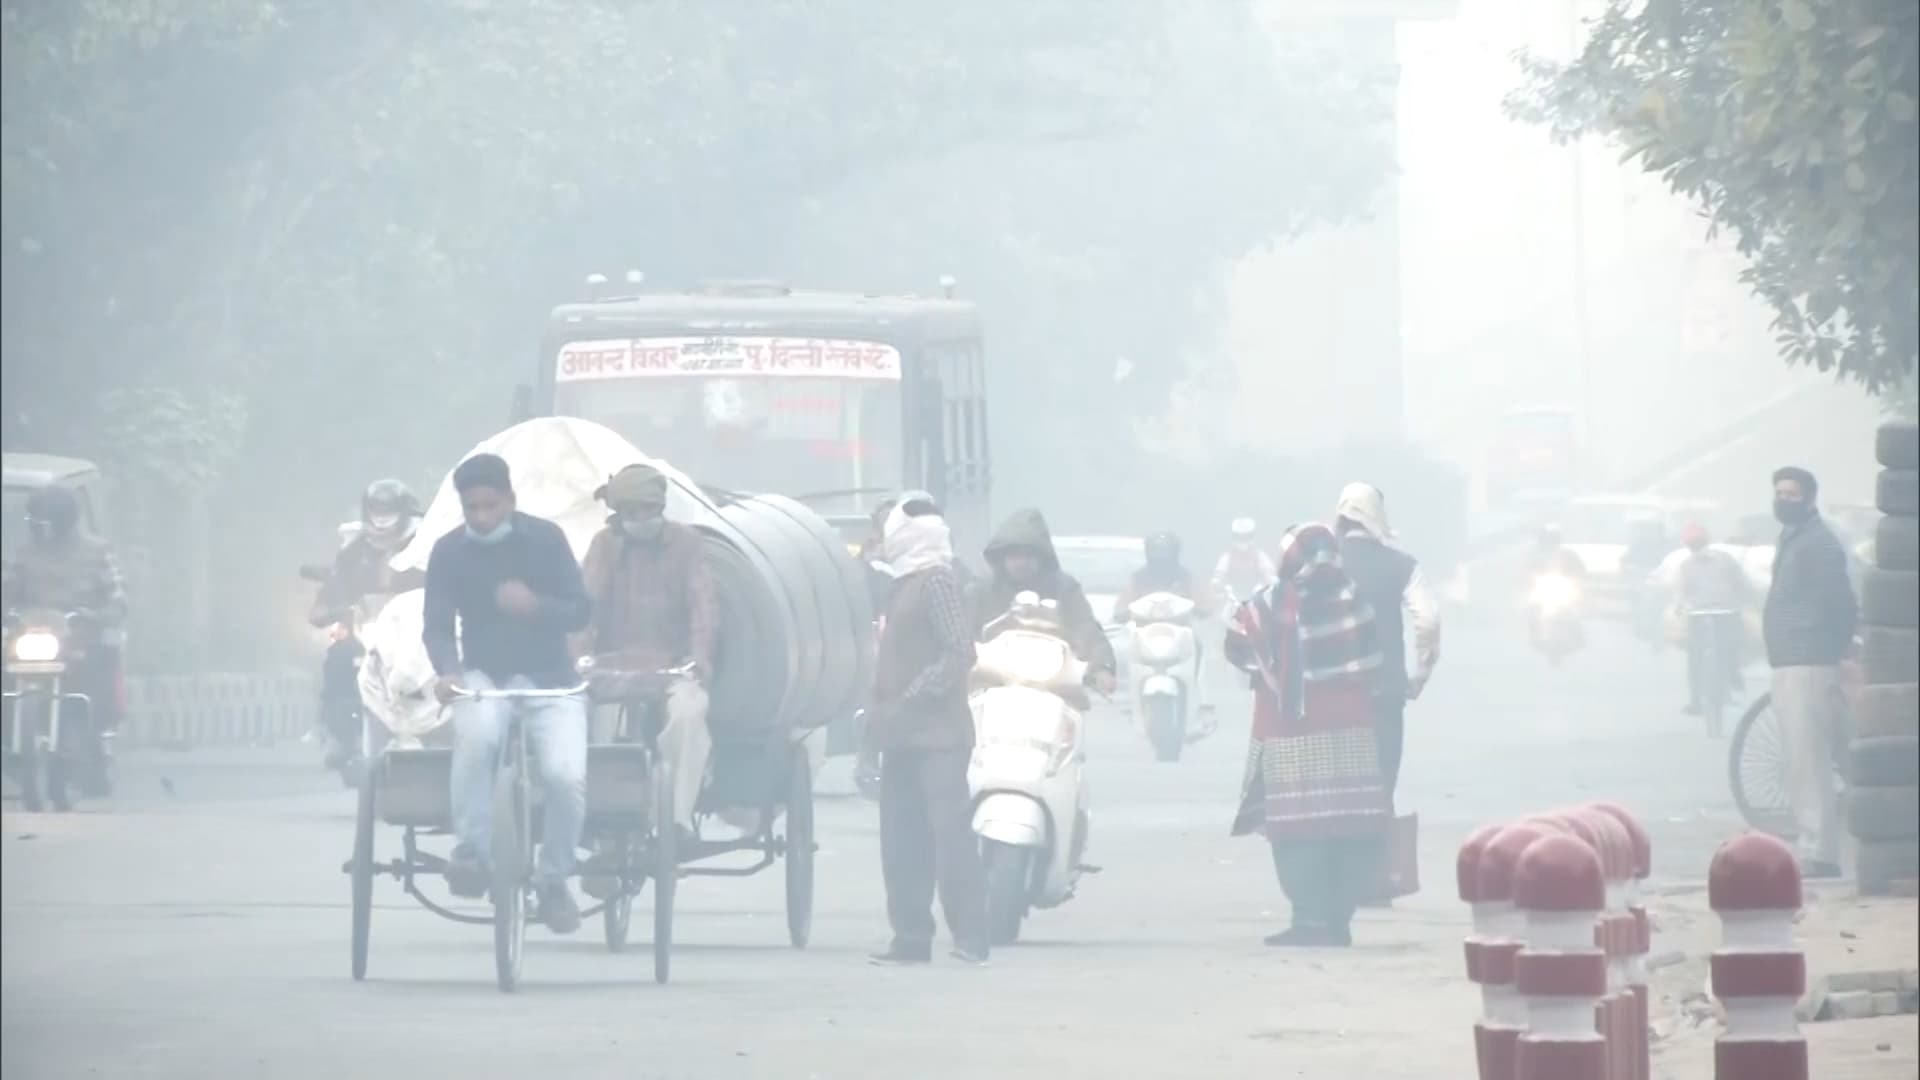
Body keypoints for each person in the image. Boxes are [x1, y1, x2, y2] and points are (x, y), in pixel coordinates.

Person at [423, 453, 593, 931]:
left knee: (564, 776)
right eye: (471, 508)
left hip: (551, 680)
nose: (480, 517)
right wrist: (447, 671)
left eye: (489, 506)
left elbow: (580, 611)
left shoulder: (546, 540)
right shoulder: (449, 551)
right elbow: (436, 626)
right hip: (485, 678)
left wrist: (534, 606)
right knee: (475, 742)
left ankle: (555, 880)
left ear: (510, 501)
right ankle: (472, 852)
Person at [1226, 522, 1390, 948]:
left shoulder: (1269, 604)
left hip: (1288, 731)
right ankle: (1338, 920)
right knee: (1348, 828)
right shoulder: (1356, 601)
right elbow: (1375, 662)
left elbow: (1237, 646)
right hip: (1351, 731)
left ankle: (1310, 919)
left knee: (1297, 829)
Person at [865, 494, 989, 966]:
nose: (881, 539)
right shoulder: (901, 584)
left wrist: (914, 696)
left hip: (938, 735)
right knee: (901, 839)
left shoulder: (936, 581)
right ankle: (911, 938)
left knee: (949, 835)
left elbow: (959, 652)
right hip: (899, 732)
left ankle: (971, 937)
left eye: (887, 529)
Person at [578, 463, 715, 856]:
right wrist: (579, 657)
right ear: (619, 515)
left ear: (660, 509)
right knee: (572, 719)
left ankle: (677, 819)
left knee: (690, 715)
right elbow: (584, 608)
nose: (641, 520)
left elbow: (703, 605)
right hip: (610, 668)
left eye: (648, 511)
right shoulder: (604, 546)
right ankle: (591, 812)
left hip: (673, 665)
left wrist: (700, 658)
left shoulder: (687, 544)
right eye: (632, 513)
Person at [1762, 466, 1857, 878]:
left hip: (1809, 662)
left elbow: (1839, 602)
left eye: (1792, 493)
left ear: (1810, 498)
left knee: (1808, 760)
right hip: (1795, 660)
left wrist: (1832, 651)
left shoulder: (1817, 544)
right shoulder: (1795, 540)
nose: (1784, 500)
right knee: (1839, 755)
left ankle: (1819, 851)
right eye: (1779, 492)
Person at [2, 485, 128, 795]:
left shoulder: (97, 552)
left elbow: (116, 595)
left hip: (78, 637)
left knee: (101, 669)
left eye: (43, 520)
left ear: (62, 520)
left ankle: (94, 739)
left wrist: (103, 613)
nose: (37, 526)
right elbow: (8, 589)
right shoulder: (26, 554)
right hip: (32, 636)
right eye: (34, 520)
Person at [1332, 482, 1441, 800]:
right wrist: (1419, 675)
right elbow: (1428, 619)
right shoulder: (1402, 564)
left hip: (1329, 693)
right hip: (1385, 689)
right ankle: (1380, 839)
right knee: (1382, 783)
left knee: (1337, 788)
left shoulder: (1318, 563)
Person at [308, 479, 425, 768]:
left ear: (405, 512)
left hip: (415, 634)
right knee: (338, 656)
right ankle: (339, 732)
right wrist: (329, 608)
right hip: (366, 628)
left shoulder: (427, 546)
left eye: (388, 509)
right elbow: (332, 591)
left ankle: (434, 726)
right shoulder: (354, 552)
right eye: (376, 509)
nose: (382, 517)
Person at [969, 508, 1117, 693]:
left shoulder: (1064, 588)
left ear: (1042, 556)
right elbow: (961, 636)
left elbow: (1086, 629)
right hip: (994, 685)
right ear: (1002, 557)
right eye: (1014, 555)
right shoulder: (981, 591)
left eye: (1028, 555)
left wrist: (1102, 667)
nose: (1021, 562)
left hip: (1056, 685)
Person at [1112, 531, 1214, 720]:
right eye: (1157, 553)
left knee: (1199, 648)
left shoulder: (1186, 578)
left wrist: (1203, 608)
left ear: (1175, 553)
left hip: (1181, 633)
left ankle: (1203, 702)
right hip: (1143, 632)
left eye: (1165, 553)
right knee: (1128, 652)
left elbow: (1203, 600)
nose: (1161, 558)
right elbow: (1122, 604)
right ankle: (1130, 700)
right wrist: (1122, 613)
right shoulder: (1138, 578)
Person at [1661, 522, 1747, 716]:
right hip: (1721, 613)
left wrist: (1678, 609)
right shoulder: (1723, 559)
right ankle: (1732, 679)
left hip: (1706, 614)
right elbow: (1740, 584)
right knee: (1725, 648)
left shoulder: (1688, 564)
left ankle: (1697, 701)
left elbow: (1681, 593)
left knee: (1696, 658)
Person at [1212, 517, 1278, 611]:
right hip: (1232, 601)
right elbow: (1219, 575)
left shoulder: (1259, 556)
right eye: (1240, 537)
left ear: (1252, 536)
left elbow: (1269, 574)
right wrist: (1218, 583)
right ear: (1234, 537)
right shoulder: (1227, 557)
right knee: (1221, 617)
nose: (1243, 541)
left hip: (1255, 600)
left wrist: (1268, 582)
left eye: (1246, 537)